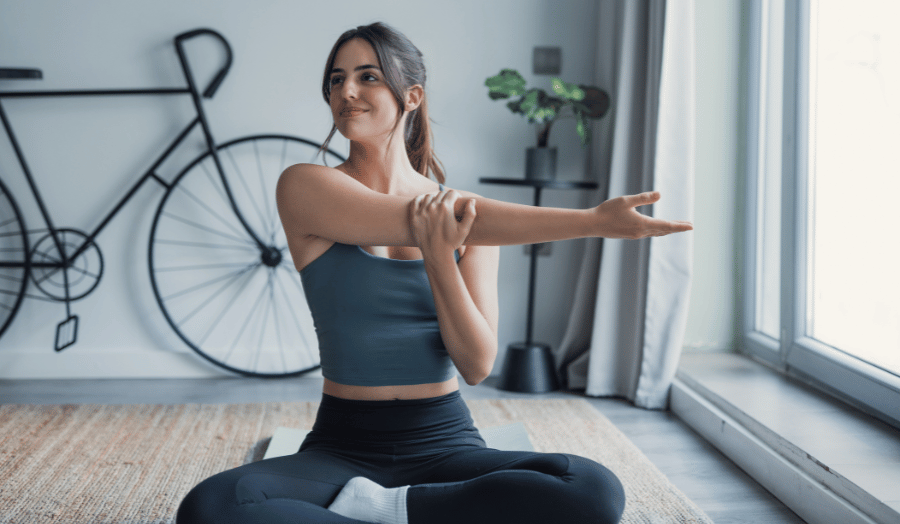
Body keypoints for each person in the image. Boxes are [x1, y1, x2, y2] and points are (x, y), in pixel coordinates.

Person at [175, 21, 691, 524]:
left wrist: (442, 259)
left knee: (592, 490)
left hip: (444, 441)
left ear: (412, 96)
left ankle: (385, 511)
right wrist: (592, 222)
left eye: (368, 76)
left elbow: (476, 365)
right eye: (336, 79)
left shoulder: (473, 224)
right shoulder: (305, 187)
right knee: (214, 508)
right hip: (341, 447)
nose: (347, 91)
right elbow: (418, 220)